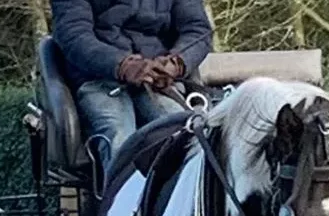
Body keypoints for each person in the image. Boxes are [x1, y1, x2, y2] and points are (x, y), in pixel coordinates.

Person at [51, 0, 213, 173]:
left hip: (158, 79)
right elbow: (73, 34)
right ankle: (120, 198)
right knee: (118, 135)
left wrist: (176, 63)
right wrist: (122, 65)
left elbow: (197, 29)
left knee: (185, 132)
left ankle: (186, 197)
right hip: (98, 77)